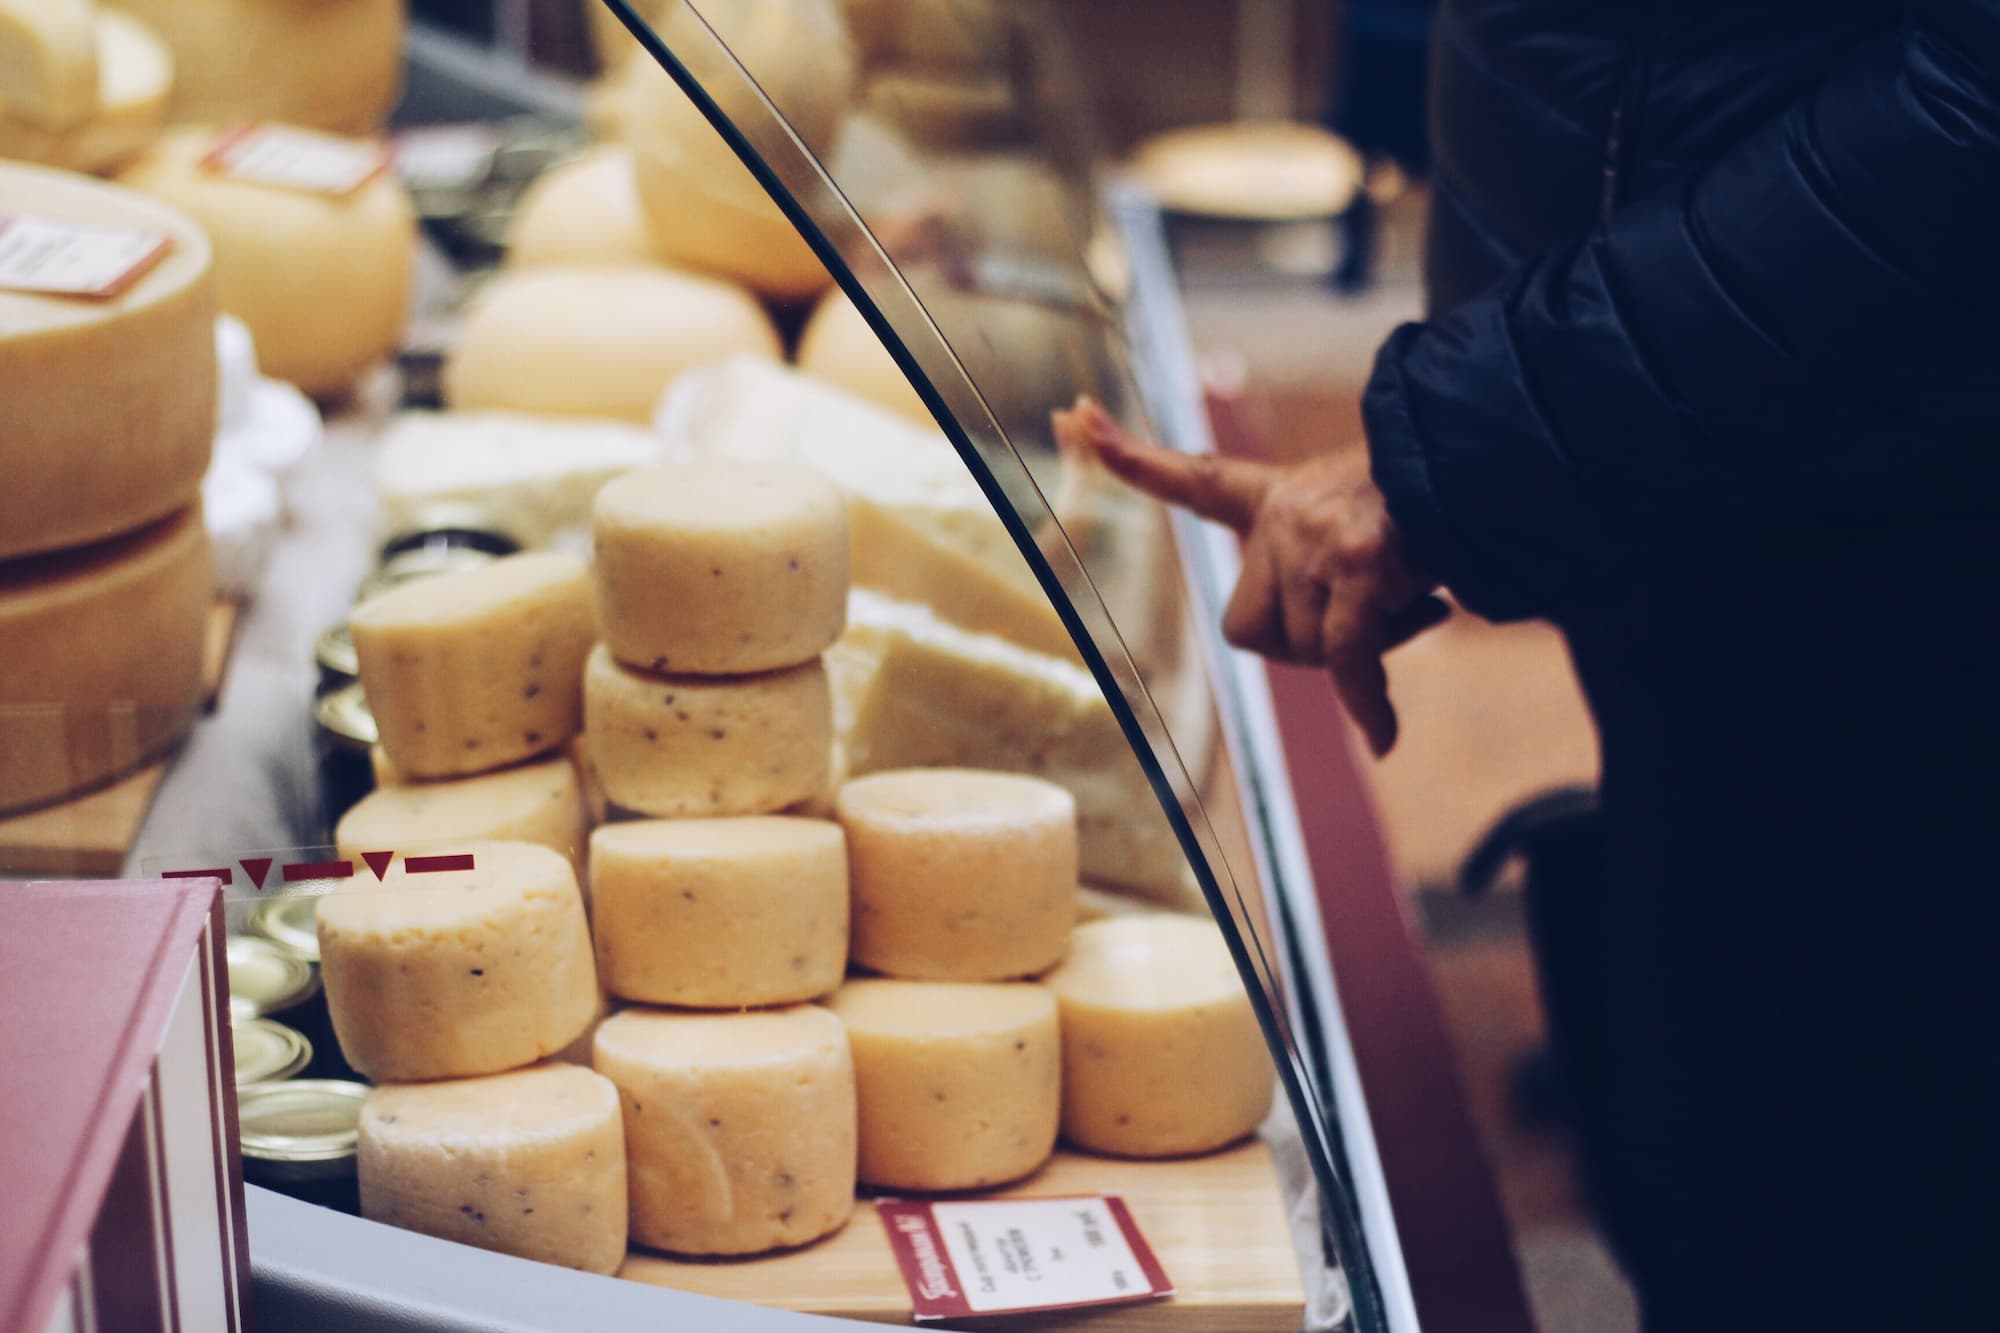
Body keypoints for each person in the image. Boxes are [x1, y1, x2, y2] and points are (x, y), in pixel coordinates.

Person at [1060, 3, 2000, 1327]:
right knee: (1730, 1185)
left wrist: (1468, 442)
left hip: (1897, 584)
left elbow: (1968, 138)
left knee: (1846, 1231)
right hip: (1700, 514)